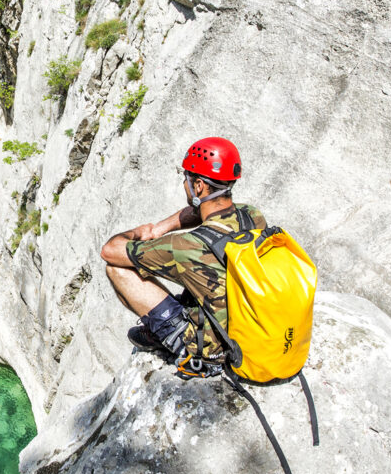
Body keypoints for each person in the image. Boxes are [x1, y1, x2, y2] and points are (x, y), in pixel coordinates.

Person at [99, 137, 266, 362]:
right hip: (249, 330)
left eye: (186, 178)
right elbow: (202, 213)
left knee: (116, 270)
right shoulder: (251, 216)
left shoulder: (185, 247)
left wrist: (138, 232)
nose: (184, 183)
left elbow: (110, 251)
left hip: (210, 349)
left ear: (198, 185)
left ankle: (171, 336)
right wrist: (161, 228)